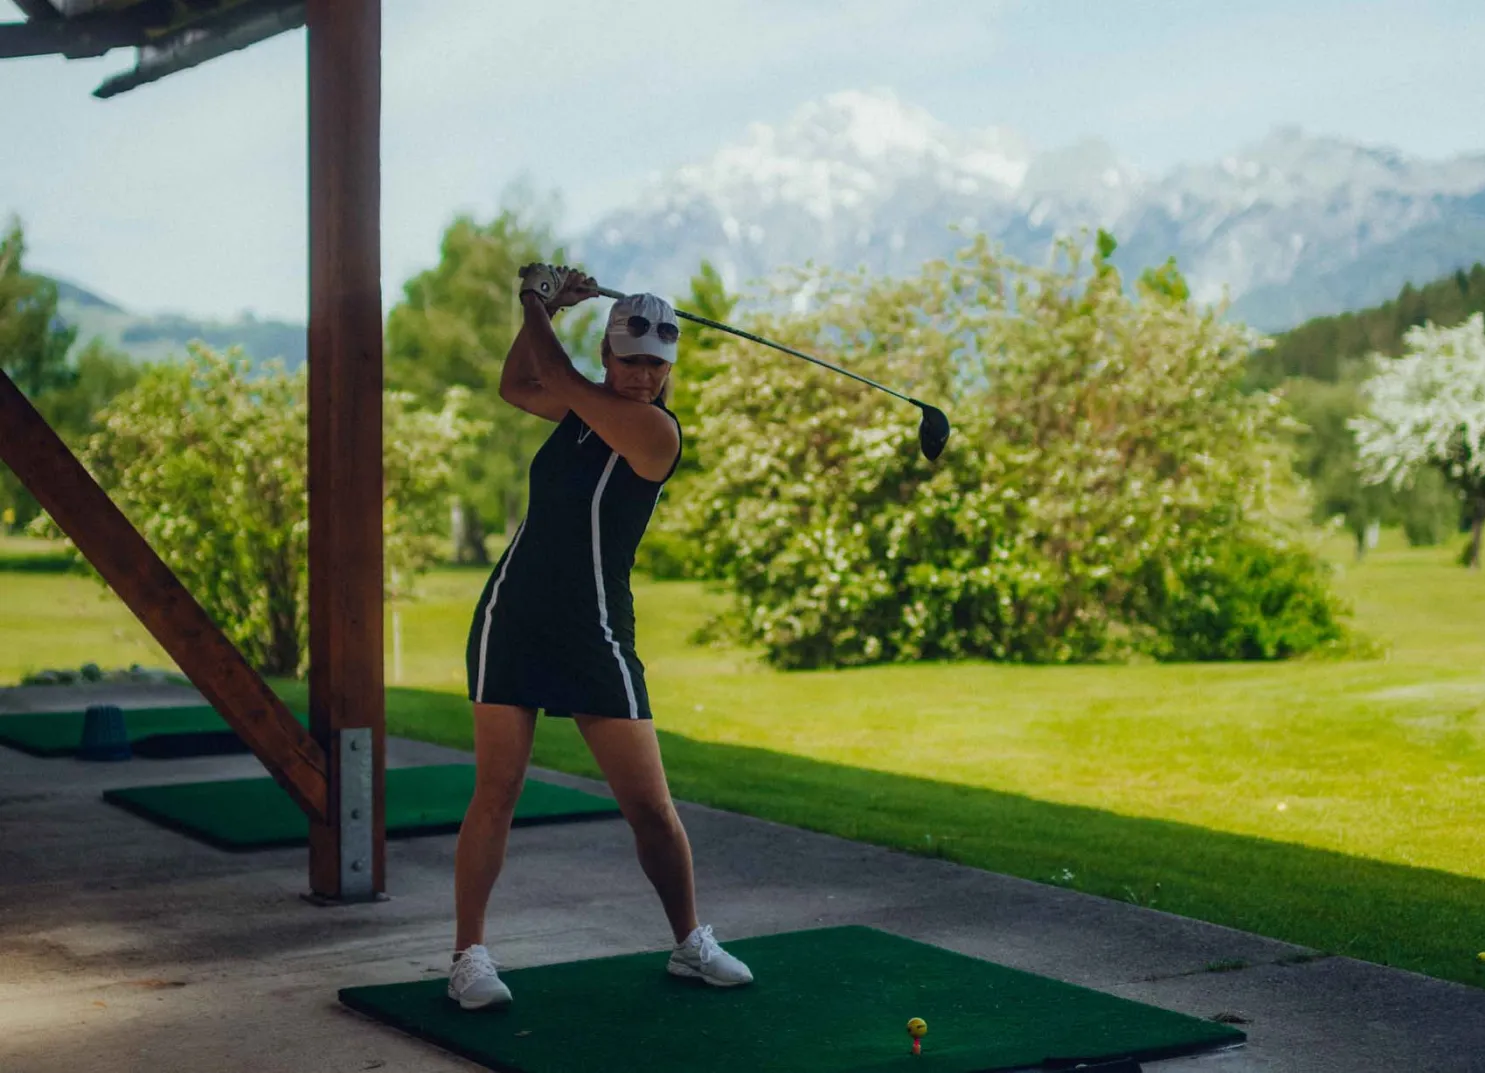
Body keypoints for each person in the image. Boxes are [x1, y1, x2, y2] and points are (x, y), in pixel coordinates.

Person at [447, 263, 754, 1010]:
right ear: (609, 354)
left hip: (596, 629)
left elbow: (554, 373)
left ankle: (689, 941)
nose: (644, 375)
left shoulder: (654, 431)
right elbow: (518, 384)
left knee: (649, 805)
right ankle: (468, 957)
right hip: (512, 616)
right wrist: (544, 310)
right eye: (631, 359)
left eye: (657, 363)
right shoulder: (580, 410)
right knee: (497, 790)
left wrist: (536, 299)